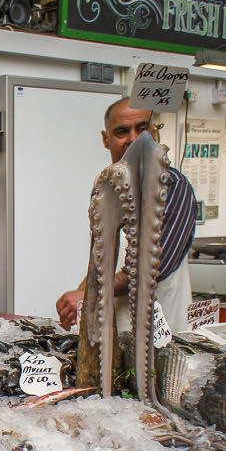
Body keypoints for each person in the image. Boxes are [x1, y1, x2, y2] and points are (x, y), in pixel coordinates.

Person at [55, 97, 198, 334]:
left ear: (154, 133)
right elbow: (98, 263)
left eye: (141, 129)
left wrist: (86, 294)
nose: (134, 139)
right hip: (118, 335)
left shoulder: (173, 187)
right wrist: (79, 308)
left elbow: (149, 269)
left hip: (164, 338)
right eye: (122, 132)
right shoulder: (106, 189)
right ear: (106, 139)